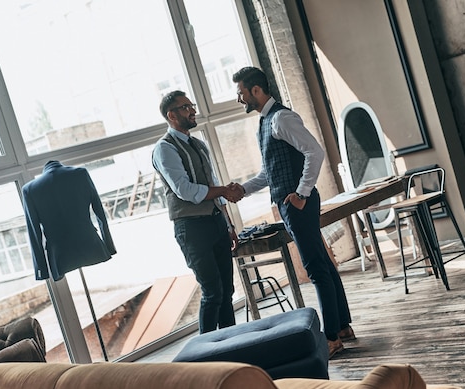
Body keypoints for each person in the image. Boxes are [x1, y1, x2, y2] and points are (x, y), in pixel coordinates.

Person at [231, 66, 355, 358]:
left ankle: (332, 337)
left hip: (297, 204)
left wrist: (301, 194)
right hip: (292, 204)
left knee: (315, 268)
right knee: (322, 262)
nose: (239, 99)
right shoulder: (265, 122)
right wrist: (243, 190)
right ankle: (344, 327)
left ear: (256, 90)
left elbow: (315, 152)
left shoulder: (282, 118)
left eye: (241, 93)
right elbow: (270, 173)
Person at [152, 90, 241, 334]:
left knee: (227, 291)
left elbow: (211, 184)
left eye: (191, 105)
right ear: (171, 115)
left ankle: (231, 346)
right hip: (191, 228)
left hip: (215, 223)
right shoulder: (165, 149)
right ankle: (208, 353)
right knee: (212, 292)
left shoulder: (199, 145)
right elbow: (185, 190)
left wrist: (229, 225)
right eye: (185, 107)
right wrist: (224, 190)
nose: (192, 110)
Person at [22, 160, 117, 281]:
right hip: (90, 244)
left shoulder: (29, 190)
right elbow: (100, 212)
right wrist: (109, 246)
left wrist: (42, 270)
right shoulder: (80, 174)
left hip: (61, 256)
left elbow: (34, 234)